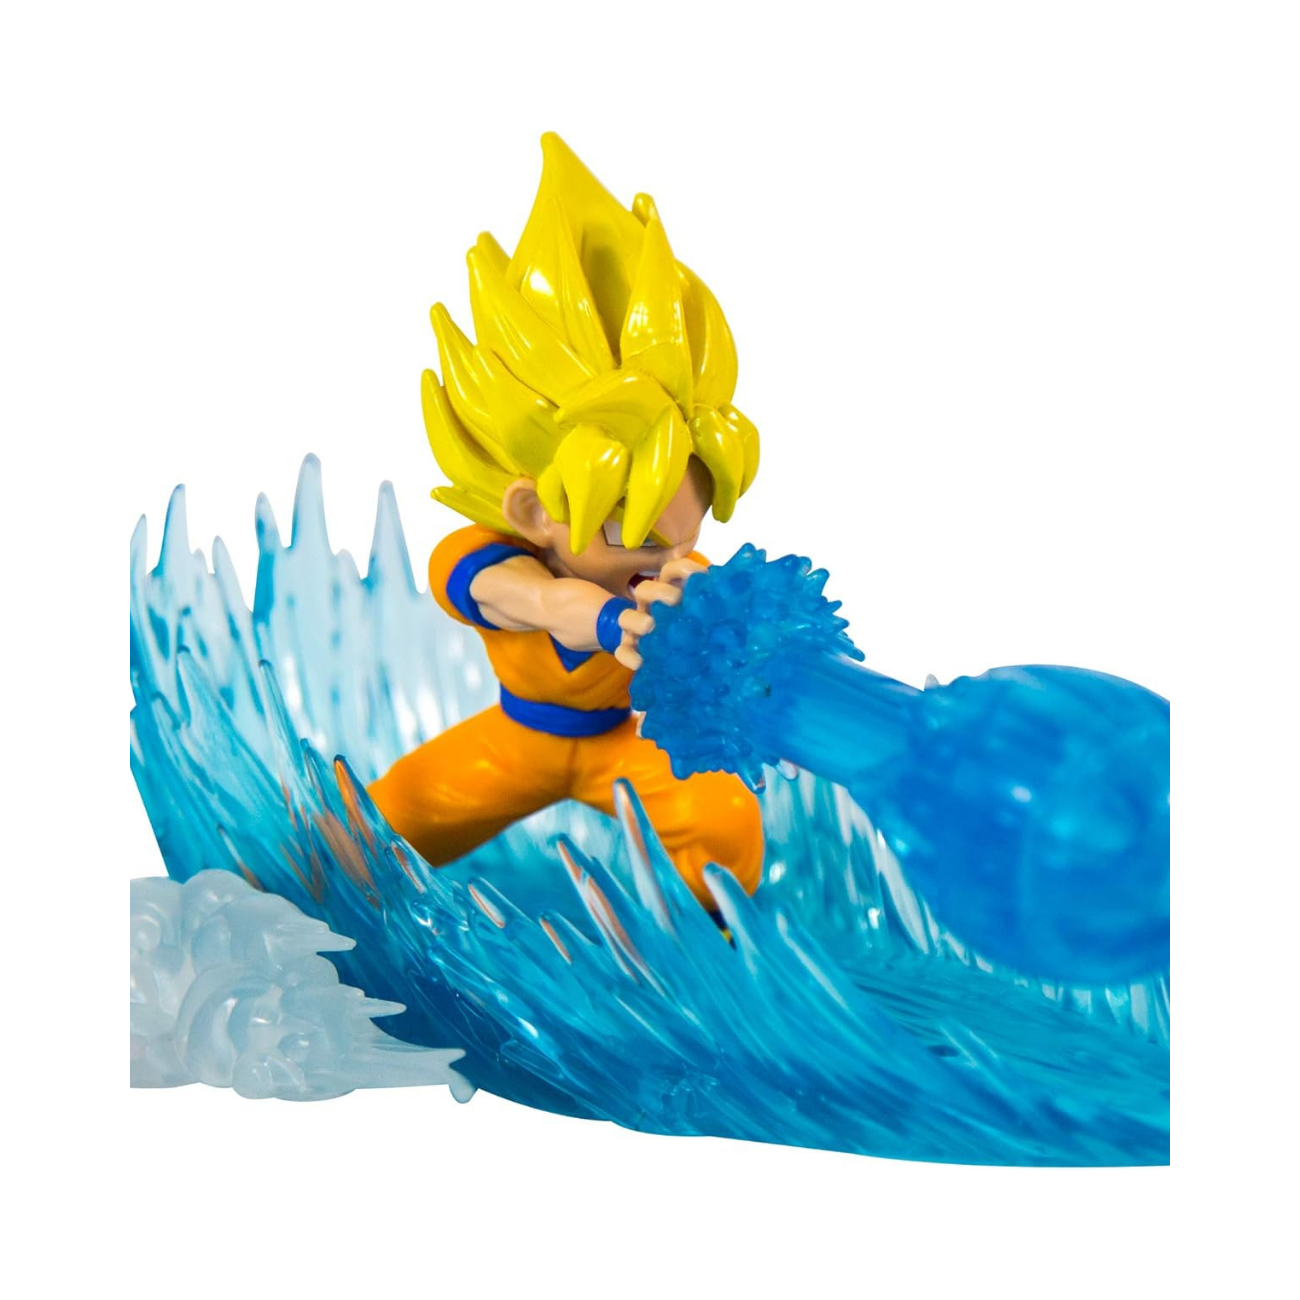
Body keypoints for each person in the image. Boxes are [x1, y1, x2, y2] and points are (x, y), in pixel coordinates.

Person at [368, 134, 762, 907]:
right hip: (514, 742)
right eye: (634, 535)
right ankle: (297, 897)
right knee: (385, 820)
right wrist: (608, 619)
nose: (665, 558)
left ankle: (700, 941)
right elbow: (538, 601)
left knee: (721, 822)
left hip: (626, 748)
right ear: (531, 510)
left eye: (683, 537)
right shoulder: (483, 557)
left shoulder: (676, 576)